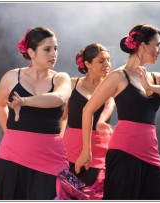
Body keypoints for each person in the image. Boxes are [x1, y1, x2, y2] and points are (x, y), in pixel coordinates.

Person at [75, 24, 160, 200]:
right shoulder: (118, 76)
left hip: (151, 152)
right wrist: (86, 151)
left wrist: (150, 86)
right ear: (142, 46)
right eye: (156, 45)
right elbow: (87, 110)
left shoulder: (156, 78)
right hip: (124, 152)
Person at [0, 26, 72, 200]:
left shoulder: (61, 77)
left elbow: (59, 98)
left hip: (50, 157)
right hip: (12, 156)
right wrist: (9, 133)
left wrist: (25, 101)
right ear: (31, 52)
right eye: (47, 49)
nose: (53, 54)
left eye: (55, 48)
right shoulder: (12, 76)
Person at [61, 43, 115, 199]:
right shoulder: (72, 83)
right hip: (70, 149)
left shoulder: (112, 85)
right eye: (101, 61)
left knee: (97, 194)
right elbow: (63, 116)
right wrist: (57, 141)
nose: (107, 65)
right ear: (87, 64)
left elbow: (109, 105)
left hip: (100, 150)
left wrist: (102, 122)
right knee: (69, 193)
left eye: (108, 60)